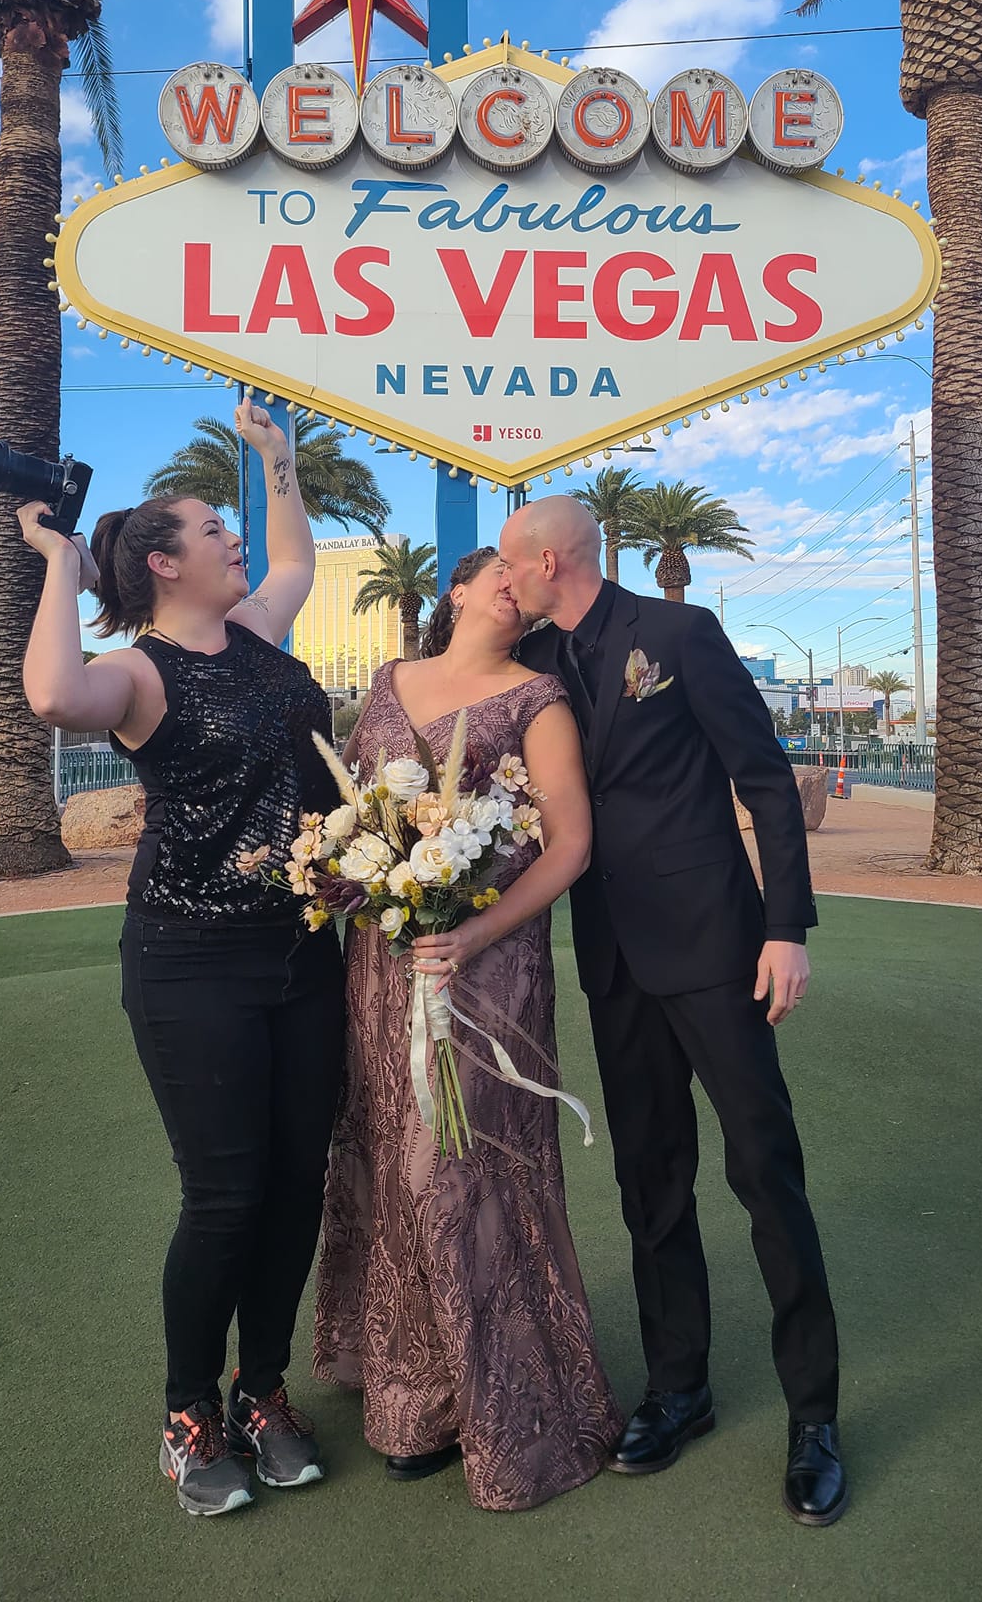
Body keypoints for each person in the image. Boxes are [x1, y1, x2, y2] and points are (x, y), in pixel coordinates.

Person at [19, 399, 343, 1520]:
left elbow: (298, 551)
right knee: (225, 1193)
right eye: (213, 527)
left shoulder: (257, 631)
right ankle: (189, 1411)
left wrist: (278, 461)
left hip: (304, 951)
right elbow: (55, 696)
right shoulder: (137, 673)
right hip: (188, 958)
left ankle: (264, 1390)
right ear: (164, 563)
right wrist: (59, 561)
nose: (234, 537)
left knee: (299, 1179)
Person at [501, 496, 846, 1526]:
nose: (507, 581)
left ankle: (815, 1416)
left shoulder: (680, 634)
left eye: (515, 567)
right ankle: (678, 1388)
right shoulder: (538, 669)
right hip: (612, 958)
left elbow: (766, 781)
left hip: (716, 947)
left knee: (763, 1168)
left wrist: (787, 927)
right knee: (650, 1175)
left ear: (550, 559)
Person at [313, 546, 624, 1511]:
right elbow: (355, 811)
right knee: (387, 1149)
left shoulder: (538, 702)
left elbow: (570, 843)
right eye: (488, 572)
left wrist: (471, 927)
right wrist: (361, 876)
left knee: (458, 1166)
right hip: (383, 959)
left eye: (517, 582)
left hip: (487, 970)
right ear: (453, 590)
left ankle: (503, 1402)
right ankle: (412, 1392)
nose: (507, 586)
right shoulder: (385, 682)